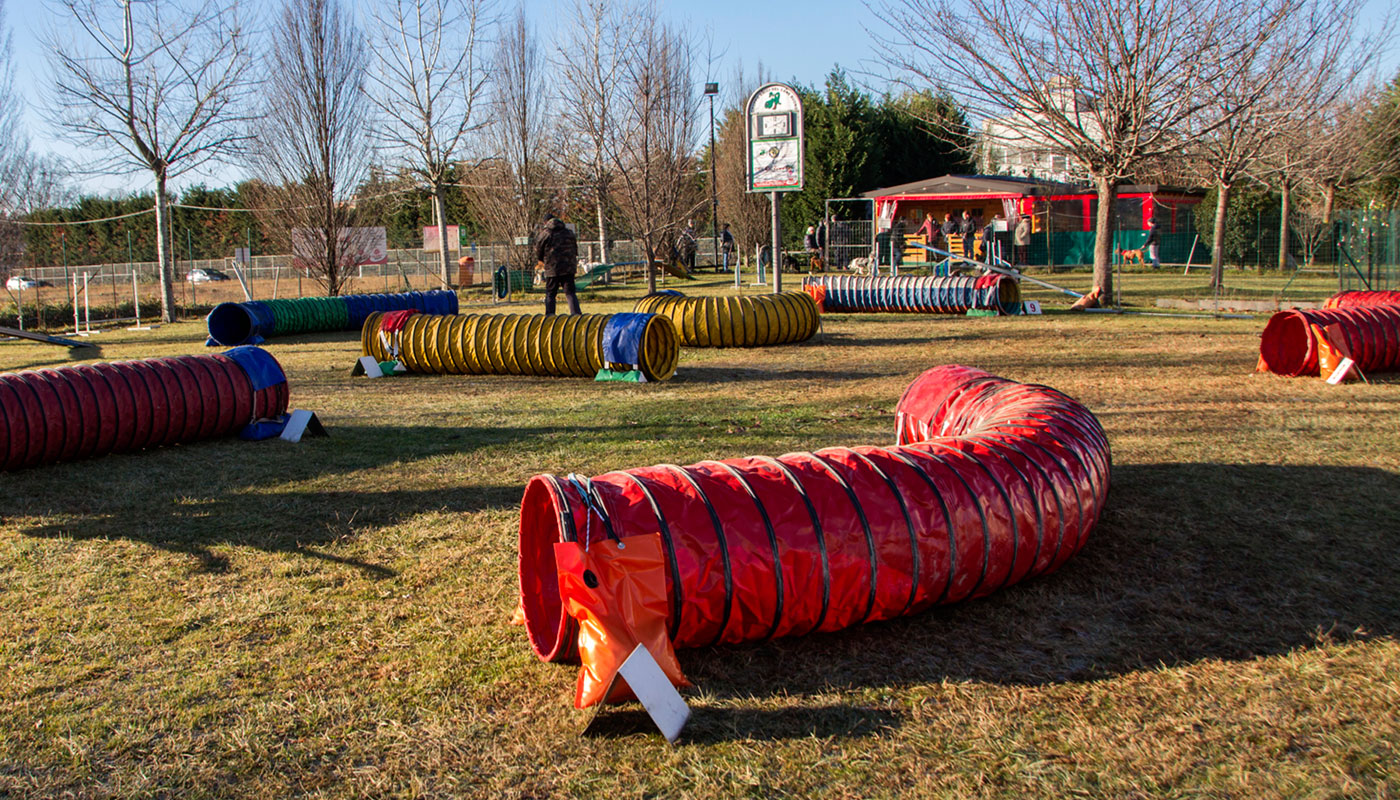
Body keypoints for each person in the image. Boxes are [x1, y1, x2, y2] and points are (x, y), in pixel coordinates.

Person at [534, 213, 580, 316]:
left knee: (550, 294)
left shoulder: (545, 233)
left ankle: (550, 317)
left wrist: (541, 259)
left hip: (552, 267)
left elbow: (538, 249)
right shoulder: (569, 232)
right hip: (568, 267)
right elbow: (575, 249)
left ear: (546, 222)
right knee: (570, 293)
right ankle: (576, 316)